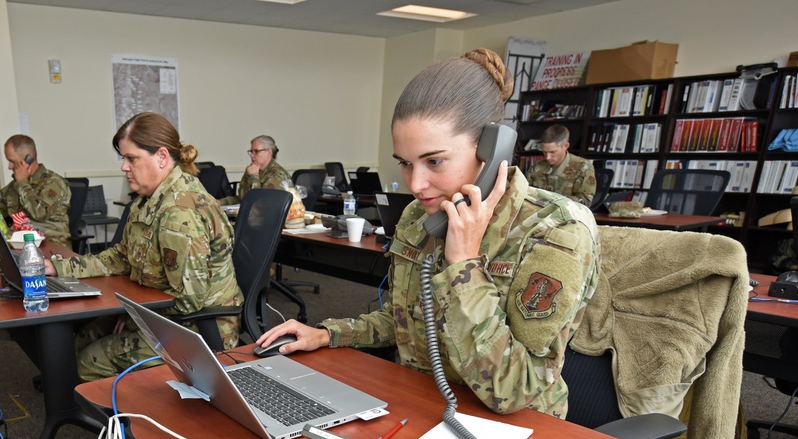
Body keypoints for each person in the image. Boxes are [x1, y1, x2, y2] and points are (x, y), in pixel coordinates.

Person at [256, 49, 600, 420]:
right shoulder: (420, 216)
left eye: (434, 161)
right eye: (405, 163)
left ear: (491, 149)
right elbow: (403, 323)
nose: (417, 185)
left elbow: (514, 389)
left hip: (513, 431)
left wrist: (464, 266)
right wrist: (327, 334)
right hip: (419, 405)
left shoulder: (557, 233)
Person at [44, 112, 242, 382]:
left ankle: (131, 424)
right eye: (123, 159)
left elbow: (188, 300)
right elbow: (120, 257)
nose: (124, 167)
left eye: (131, 158)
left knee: (88, 362)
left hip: (195, 330)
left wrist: (137, 315)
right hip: (162, 314)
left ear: (161, 157)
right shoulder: (146, 200)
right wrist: (58, 267)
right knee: (80, 339)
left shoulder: (179, 213)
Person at [526, 124, 597, 206]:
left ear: (565, 146)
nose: (548, 157)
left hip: (566, 215)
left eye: (553, 152)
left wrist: (555, 201)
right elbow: (526, 192)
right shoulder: (537, 167)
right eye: (545, 152)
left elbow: (585, 201)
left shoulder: (582, 166)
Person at [219, 135, 290, 205]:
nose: (252, 155)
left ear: (269, 152)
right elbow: (243, 198)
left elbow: (259, 204)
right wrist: (221, 202)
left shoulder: (277, 175)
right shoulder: (253, 169)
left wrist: (254, 176)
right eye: (251, 151)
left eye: (256, 151)